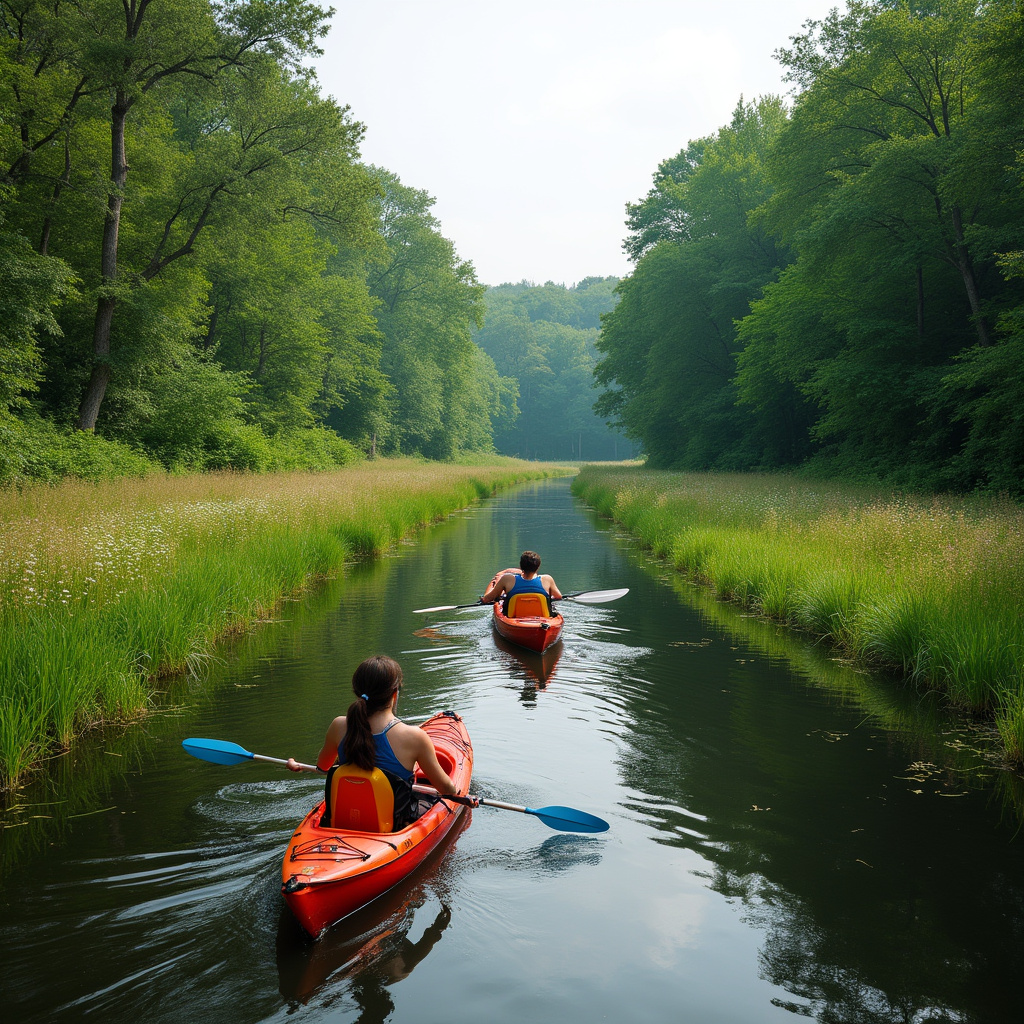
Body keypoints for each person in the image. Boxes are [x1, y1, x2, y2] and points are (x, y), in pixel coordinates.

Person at [287, 655, 469, 829]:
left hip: (345, 818)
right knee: (429, 798)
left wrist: (296, 765)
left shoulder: (338, 725)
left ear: (357, 691)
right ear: (394, 693)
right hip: (395, 825)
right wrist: (460, 794)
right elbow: (447, 789)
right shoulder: (415, 737)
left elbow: (323, 767)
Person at [481, 550, 563, 614]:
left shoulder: (507, 579)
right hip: (541, 618)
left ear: (521, 566)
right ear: (538, 567)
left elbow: (488, 599)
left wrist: (484, 599)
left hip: (513, 617)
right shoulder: (547, 579)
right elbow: (558, 596)